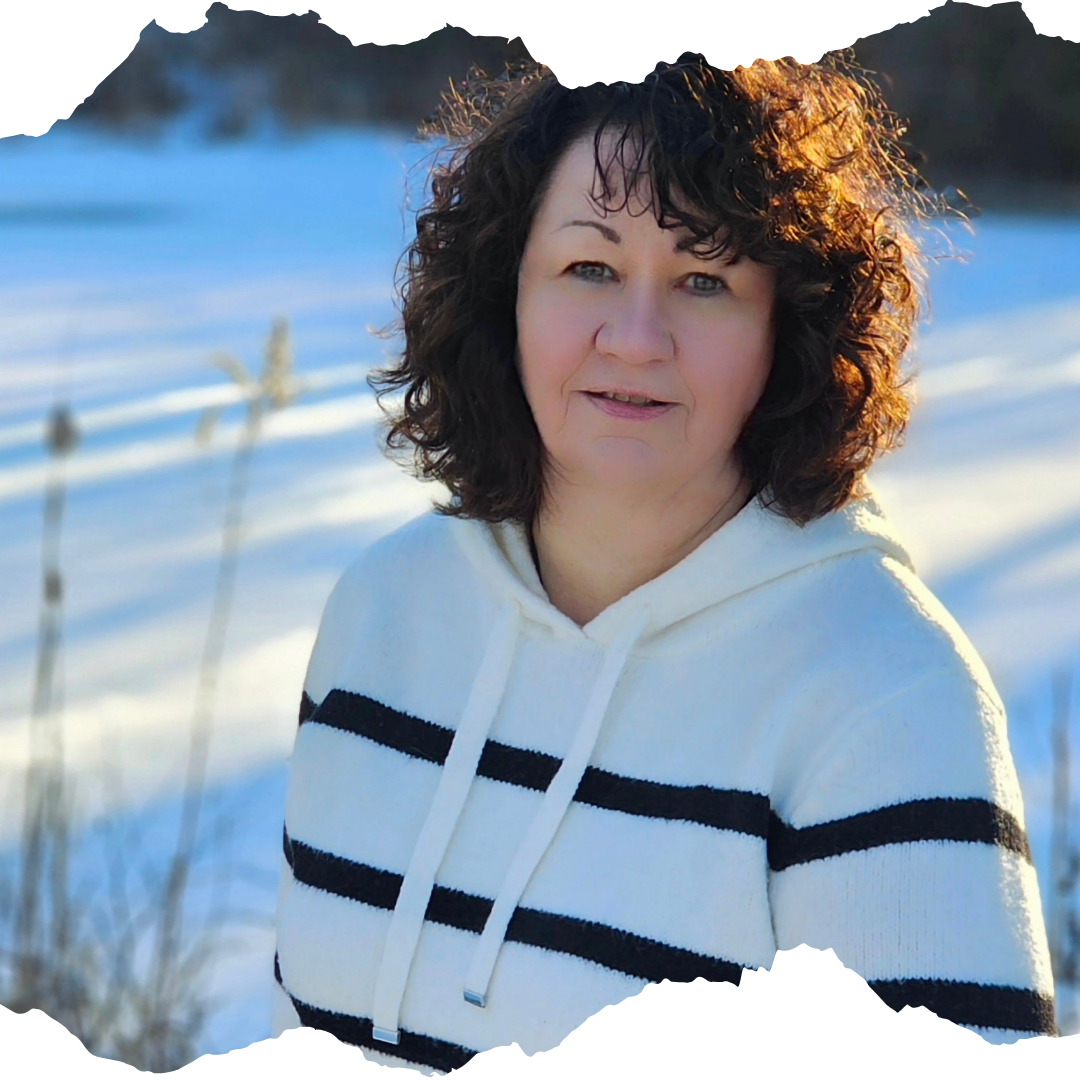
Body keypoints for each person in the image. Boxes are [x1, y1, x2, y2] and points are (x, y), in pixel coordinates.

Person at [271, 54, 1056, 1072]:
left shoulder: (883, 701)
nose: (637, 338)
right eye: (589, 268)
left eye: (705, 281)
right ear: (505, 293)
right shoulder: (383, 613)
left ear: (789, 329)